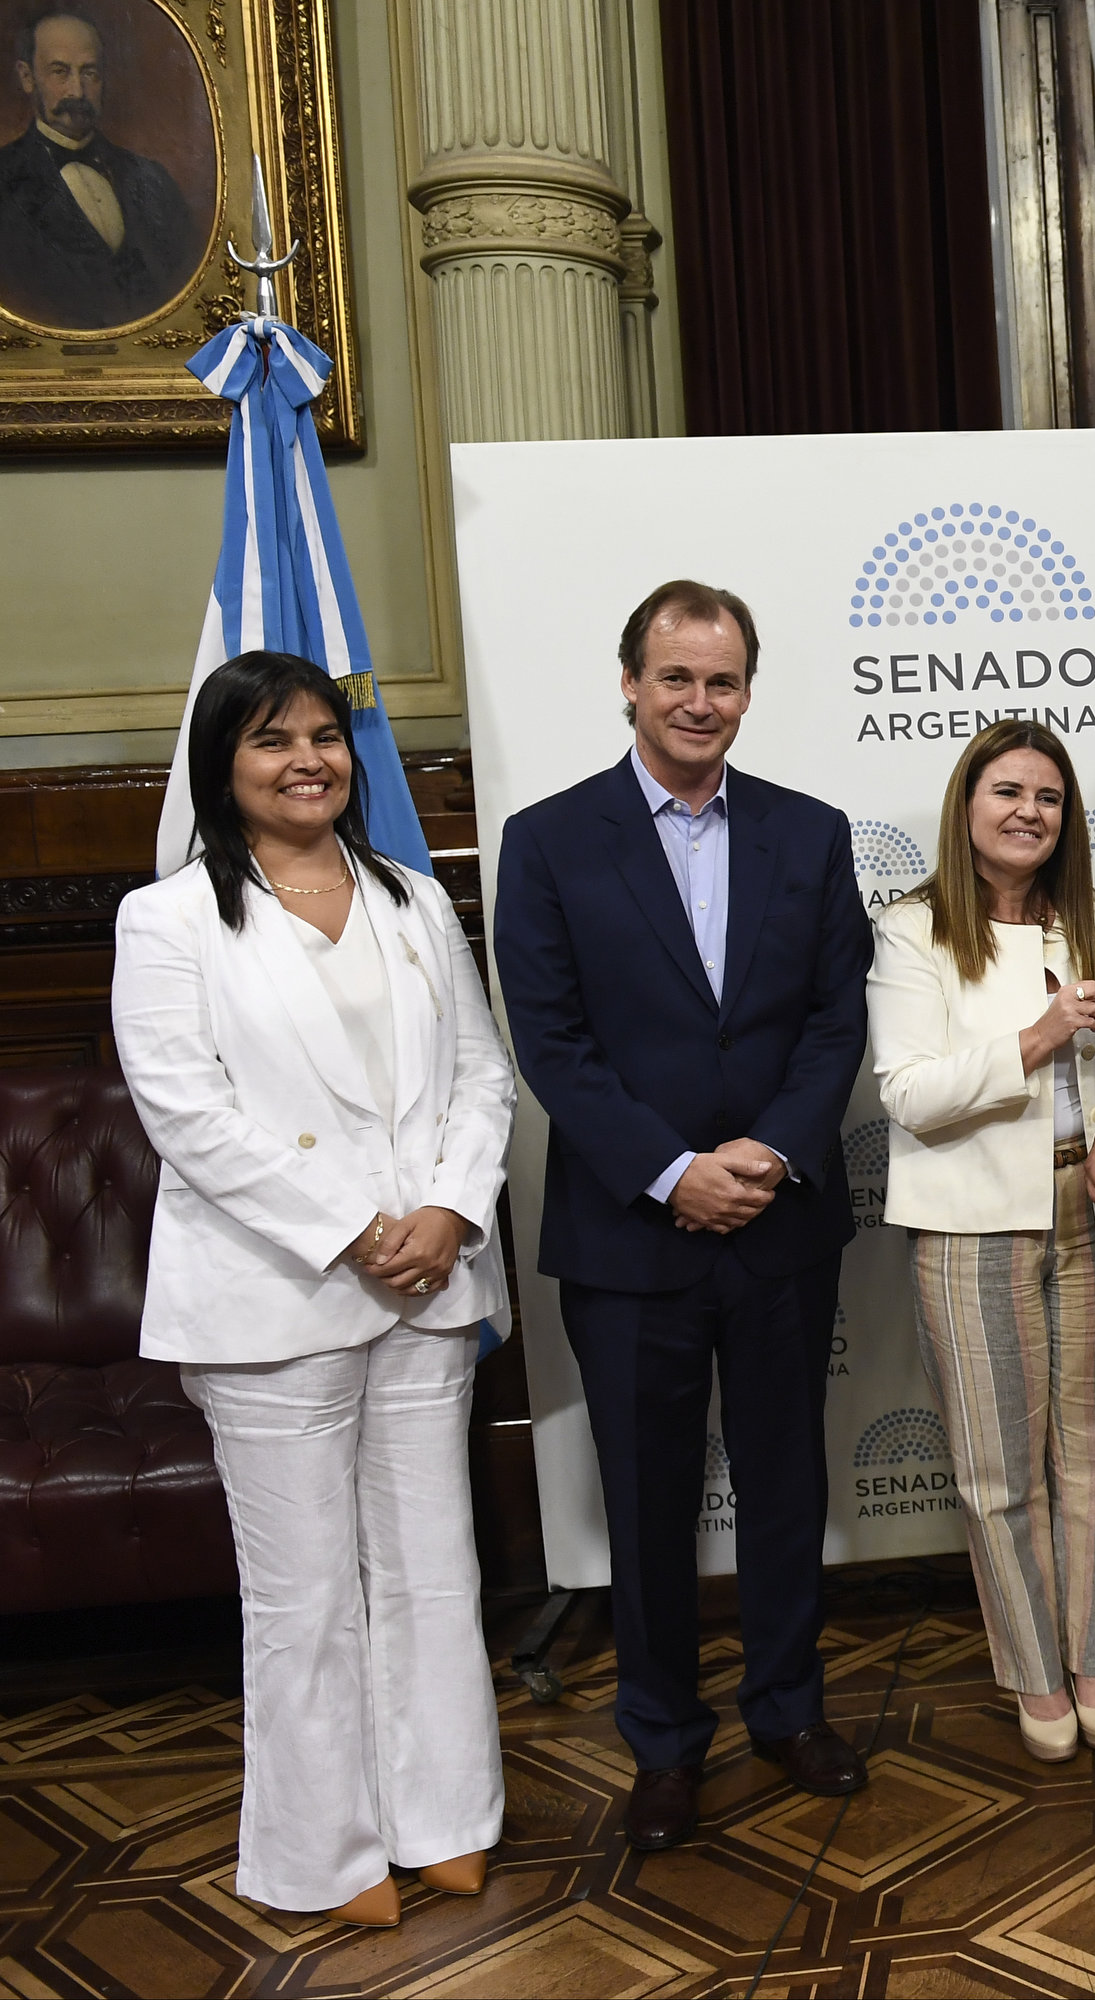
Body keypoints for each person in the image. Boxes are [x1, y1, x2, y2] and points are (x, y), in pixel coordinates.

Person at [111, 653, 513, 1926]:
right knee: (303, 1596)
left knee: (432, 1567)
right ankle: (323, 1853)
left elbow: (481, 1075)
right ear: (221, 765)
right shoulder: (167, 918)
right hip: (275, 1297)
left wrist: (448, 1208)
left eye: (327, 736)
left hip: (429, 1285)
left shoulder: (410, 894)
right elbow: (187, 1111)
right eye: (273, 740)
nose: (308, 760)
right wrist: (350, 1230)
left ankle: (443, 1816)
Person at [494, 580, 873, 1850]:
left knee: (782, 1480)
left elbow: (835, 1022)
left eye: (722, 681)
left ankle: (787, 1707)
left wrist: (764, 1151)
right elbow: (548, 1040)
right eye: (675, 678)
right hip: (628, 1235)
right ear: (629, 683)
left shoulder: (812, 835)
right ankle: (662, 1739)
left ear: (748, 692)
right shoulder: (547, 839)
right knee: (648, 1501)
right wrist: (671, 1170)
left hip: (777, 1222)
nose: (699, 702)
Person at [870, 721, 1095, 1763]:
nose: (1030, 811)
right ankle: (1034, 1672)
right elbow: (908, 1095)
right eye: (1008, 791)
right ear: (967, 804)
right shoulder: (914, 929)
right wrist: (1037, 1034)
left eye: (1050, 796)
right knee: (996, 1470)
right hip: (968, 1224)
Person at [0, 8, 201, 328]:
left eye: (89, 73)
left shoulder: (153, 180)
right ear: (27, 77)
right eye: (59, 72)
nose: (76, 92)